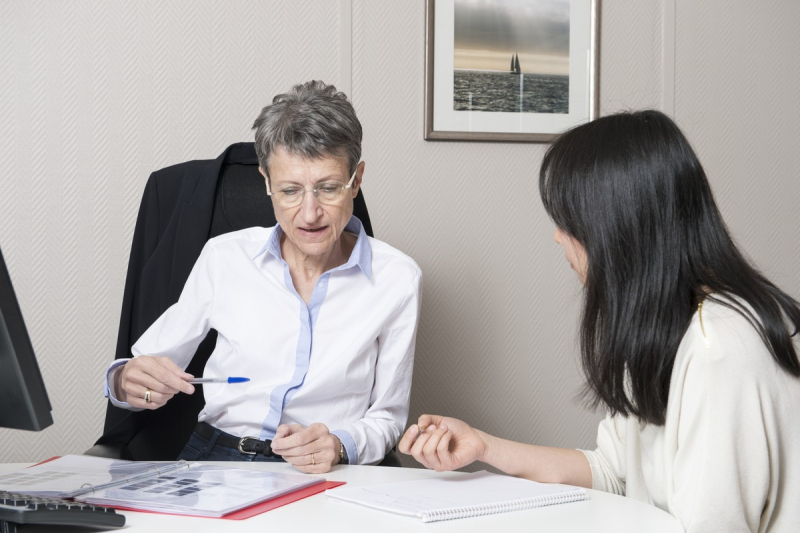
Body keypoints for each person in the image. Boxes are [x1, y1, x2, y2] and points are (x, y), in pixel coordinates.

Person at [399, 110, 800, 532]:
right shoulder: (663, 325)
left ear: (618, 226)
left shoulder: (720, 346)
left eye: (569, 220)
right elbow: (613, 472)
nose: (557, 236)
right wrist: (482, 445)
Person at [104, 80, 422, 473]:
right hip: (216, 460)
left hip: (326, 466)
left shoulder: (398, 278)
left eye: (326, 189)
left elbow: (388, 418)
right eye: (290, 191)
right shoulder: (224, 257)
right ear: (267, 183)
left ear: (355, 181)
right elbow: (141, 372)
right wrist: (126, 381)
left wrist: (339, 445)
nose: (309, 214)